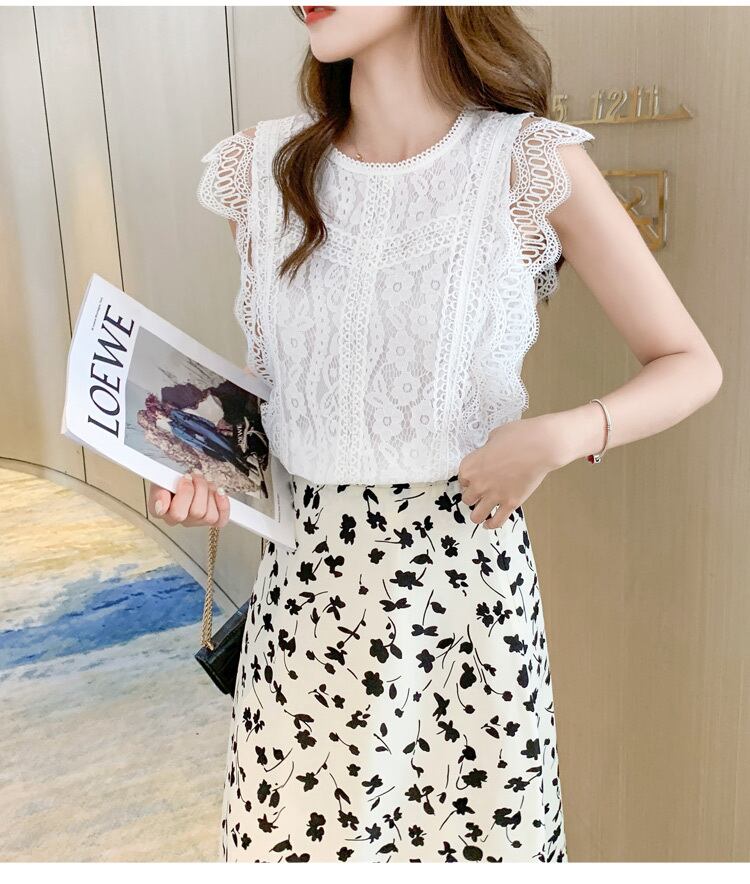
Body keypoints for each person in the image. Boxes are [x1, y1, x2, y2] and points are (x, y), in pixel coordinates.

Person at [149, 6, 722, 863]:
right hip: (307, 603)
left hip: (466, 607)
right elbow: (296, 407)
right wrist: (205, 475)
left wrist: (561, 436)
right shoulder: (265, 171)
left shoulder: (524, 161)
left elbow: (691, 363)